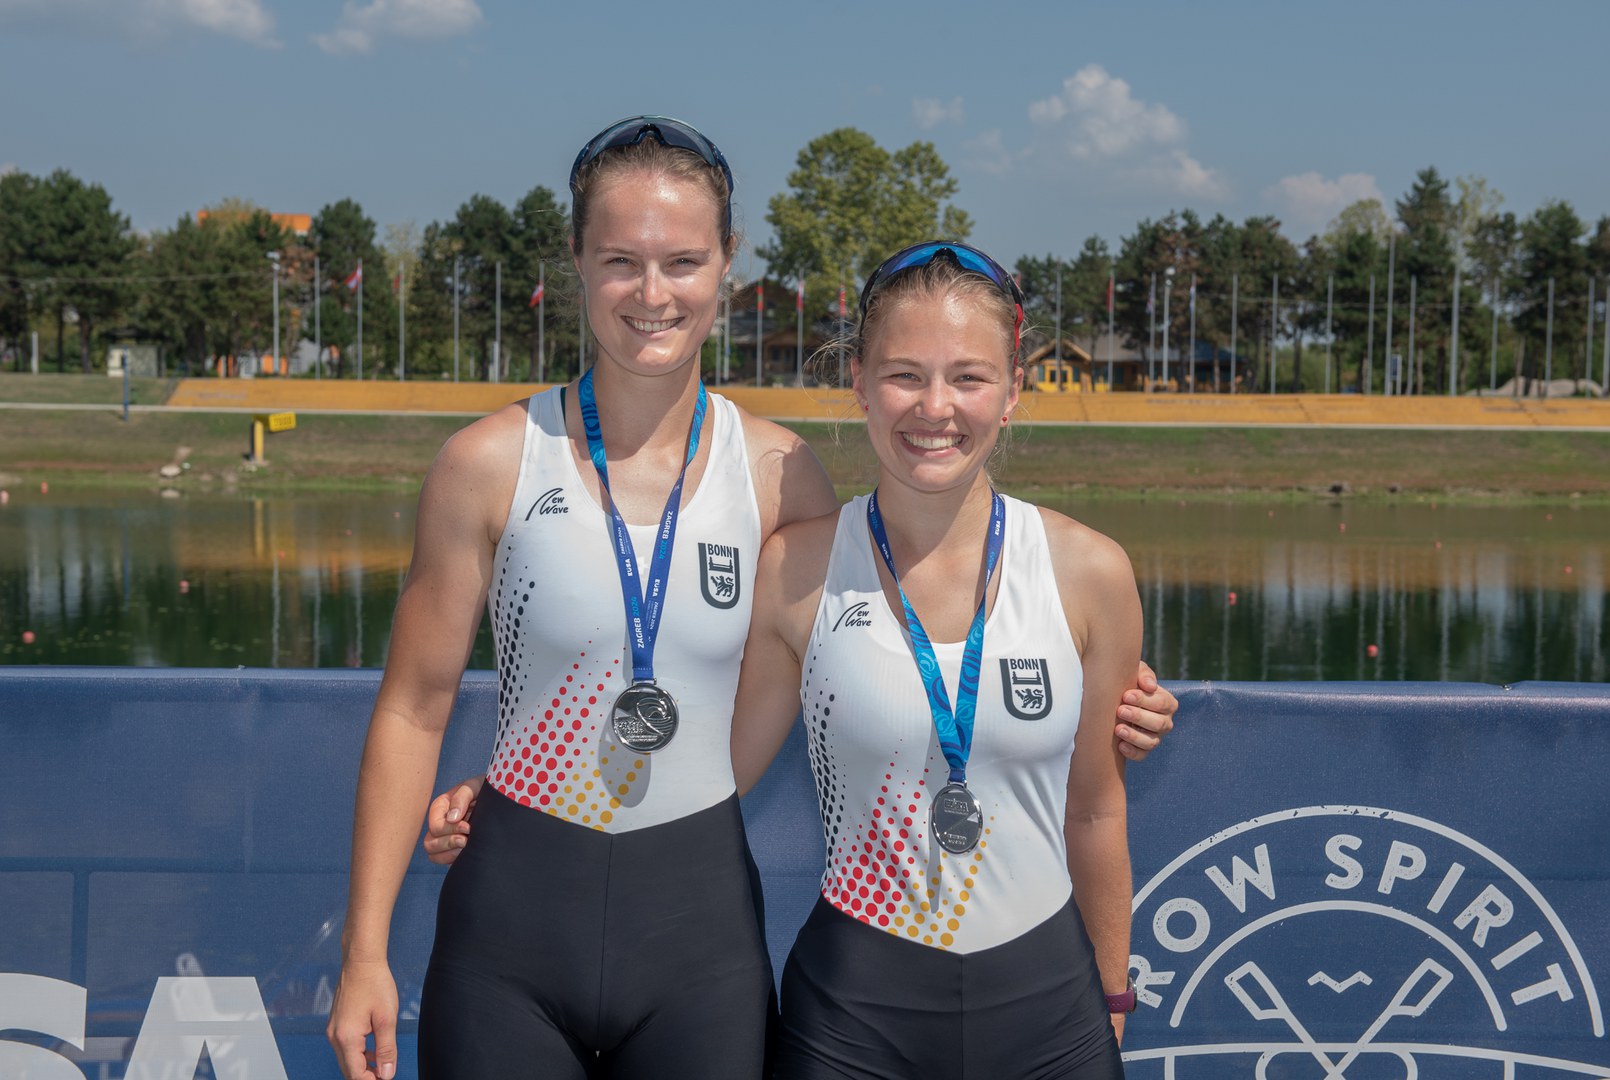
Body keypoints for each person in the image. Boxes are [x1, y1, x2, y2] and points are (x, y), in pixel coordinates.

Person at [330, 116, 1175, 1080]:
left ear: (727, 265)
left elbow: (908, 615)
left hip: (699, 954)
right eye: (621, 260)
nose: (654, 294)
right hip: (512, 923)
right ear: (576, 263)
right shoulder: (485, 464)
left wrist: (1113, 694)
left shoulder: (781, 475)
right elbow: (412, 707)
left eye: (683, 260)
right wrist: (370, 947)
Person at [727, 241, 1139, 1078]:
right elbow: (706, 780)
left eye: (970, 377)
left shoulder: (1089, 572)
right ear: (859, 382)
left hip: (1050, 1015)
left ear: (1015, 391)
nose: (935, 407)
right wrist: (512, 800)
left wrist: (1113, 992)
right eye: (905, 374)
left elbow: (1094, 811)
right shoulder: (796, 568)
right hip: (852, 1017)